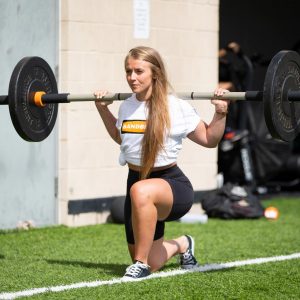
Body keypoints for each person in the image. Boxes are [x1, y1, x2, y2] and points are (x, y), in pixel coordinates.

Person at [94, 46, 229, 279]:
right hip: (136, 182)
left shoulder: (176, 107)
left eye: (138, 71)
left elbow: (209, 139)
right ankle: (182, 244)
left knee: (140, 194)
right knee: (153, 259)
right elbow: (120, 137)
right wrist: (102, 109)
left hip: (171, 185)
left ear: (155, 73)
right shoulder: (127, 105)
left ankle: (140, 264)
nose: (132, 78)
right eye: (128, 71)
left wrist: (220, 114)